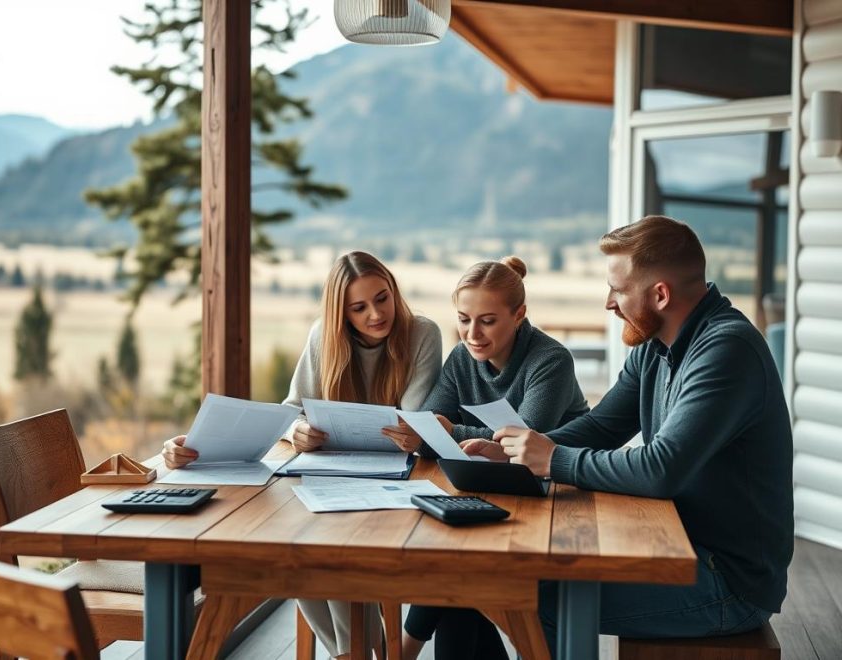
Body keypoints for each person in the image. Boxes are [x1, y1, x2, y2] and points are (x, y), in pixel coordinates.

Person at [466, 216, 793, 658]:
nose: (608, 303)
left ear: (660, 294)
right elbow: (603, 426)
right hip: (676, 543)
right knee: (518, 577)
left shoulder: (726, 350)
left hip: (728, 582)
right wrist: (515, 454)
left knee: (539, 592)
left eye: (617, 290)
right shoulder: (657, 346)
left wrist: (551, 458)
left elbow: (661, 470)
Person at [163, 250, 443, 659]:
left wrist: (402, 432)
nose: (376, 314)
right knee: (295, 546)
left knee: (329, 547)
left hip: (400, 483)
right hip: (331, 473)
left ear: (394, 291)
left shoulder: (422, 333)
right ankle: (358, 653)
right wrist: (299, 432)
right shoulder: (322, 336)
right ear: (341, 313)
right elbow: (293, 408)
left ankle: (353, 654)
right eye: (359, 307)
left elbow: (411, 421)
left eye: (382, 298)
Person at [383, 256, 590, 660]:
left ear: (519, 315)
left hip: (556, 495)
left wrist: (450, 431)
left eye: (487, 321)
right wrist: (430, 431)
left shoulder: (550, 360)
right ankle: (402, 654)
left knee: (460, 567)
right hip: (490, 485)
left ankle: (402, 653)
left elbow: (524, 443)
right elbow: (429, 425)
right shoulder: (463, 358)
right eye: (463, 319)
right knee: (461, 573)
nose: (472, 334)